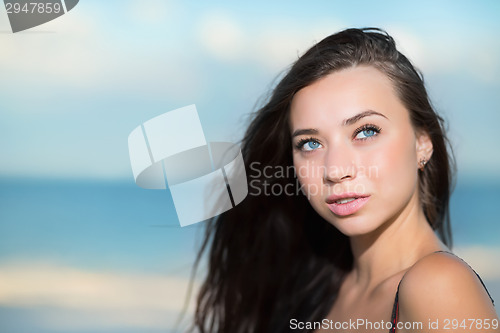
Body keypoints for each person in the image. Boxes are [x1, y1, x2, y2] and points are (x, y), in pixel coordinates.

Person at [188, 28, 499, 332]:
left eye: (365, 131)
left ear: (422, 142)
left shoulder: (438, 286)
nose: (335, 170)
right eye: (310, 143)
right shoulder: (320, 284)